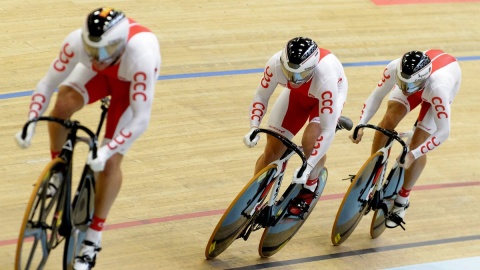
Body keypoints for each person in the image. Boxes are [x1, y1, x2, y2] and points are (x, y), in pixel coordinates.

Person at [14, 7, 161, 270]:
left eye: (103, 52)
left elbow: (141, 119)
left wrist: (106, 151)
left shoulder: (143, 55)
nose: (96, 57)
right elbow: (47, 84)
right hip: (103, 78)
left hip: (128, 86)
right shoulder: (78, 43)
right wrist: (30, 122)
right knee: (61, 107)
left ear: (119, 45)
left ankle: (93, 238)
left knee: (110, 162)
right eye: (91, 51)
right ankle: (58, 171)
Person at [350, 50, 461, 229]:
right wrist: (361, 124)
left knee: (417, 142)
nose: (405, 90)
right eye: (402, 83)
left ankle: (402, 200)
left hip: (437, 87)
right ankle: (373, 172)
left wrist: (413, 154)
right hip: (417, 82)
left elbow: (443, 132)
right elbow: (376, 96)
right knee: (388, 121)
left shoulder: (439, 88)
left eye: (408, 86)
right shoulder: (395, 68)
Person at [243, 37, 348, 215]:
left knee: (310, 141)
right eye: (288, 72)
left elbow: (328, 130)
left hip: (326, 97)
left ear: (311, 69)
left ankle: (309, 188)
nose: (292, 79)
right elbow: (261, 96)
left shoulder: (325, 76)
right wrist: (254, 127)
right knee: (272, 150)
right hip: (298, 96)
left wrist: (307, 168)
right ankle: (254, 195)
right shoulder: (276, 63)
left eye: (298, 75)